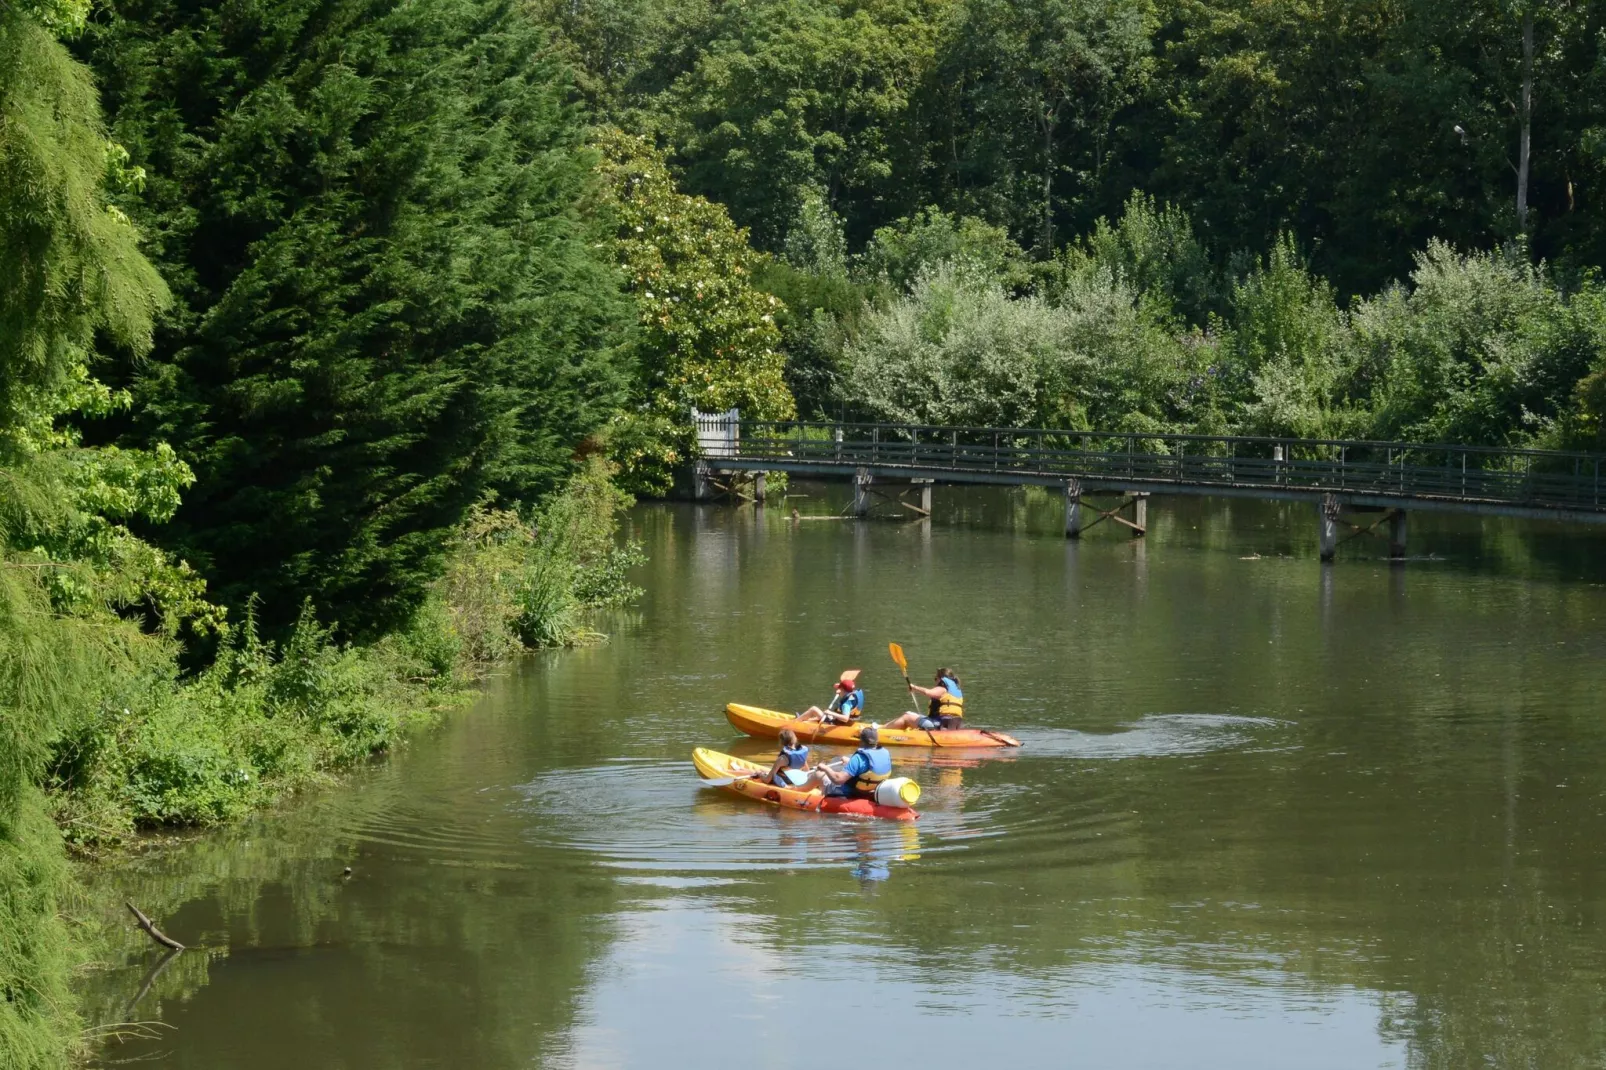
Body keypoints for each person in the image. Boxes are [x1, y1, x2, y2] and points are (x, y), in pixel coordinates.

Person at [807, 726, 892, 799]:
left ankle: (796, 790)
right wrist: (849, 762)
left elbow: (838, 780)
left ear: (861, 741)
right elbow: (869, 768)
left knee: (819, 774)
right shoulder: (886, 753)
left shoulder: (858, 758)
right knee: (839, 769)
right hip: (870, 792)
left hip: (849, 794)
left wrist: (825, 768)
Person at [883, 668, 965, 731]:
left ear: (941, 679)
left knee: (906, 717)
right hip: (954, 725)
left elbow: (928, 692)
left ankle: (880, 731)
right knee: (908, 713)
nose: (935, 681)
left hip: (939, 725)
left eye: (936, 679)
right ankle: (884, 726)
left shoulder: (943, 689)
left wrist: (914, 687)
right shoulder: (956, 691)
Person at [796, 670, 864, 726]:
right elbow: (847, 689)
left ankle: (795, 723)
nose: (838, 690)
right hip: (850, 722)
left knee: (814, 709)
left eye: (840, 689)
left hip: (838, 724)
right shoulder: (853, 695)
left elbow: (845, 718)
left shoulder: (846, 705)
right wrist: (840, 688)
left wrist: (830, 713)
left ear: (843, 690)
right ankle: (804, 721)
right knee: (820, 715)